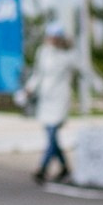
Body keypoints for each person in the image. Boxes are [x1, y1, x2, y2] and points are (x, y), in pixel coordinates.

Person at [24, 22, 79, 185]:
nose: (52, 40)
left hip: (60, 99)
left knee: (52, 134)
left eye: (55, 37)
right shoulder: (43, 52)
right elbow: (38, 73)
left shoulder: (68, 55)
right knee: (51, 136)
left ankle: (42, 169)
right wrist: (30, 88)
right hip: (45, 99)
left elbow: (83, 70)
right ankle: (65, 168)